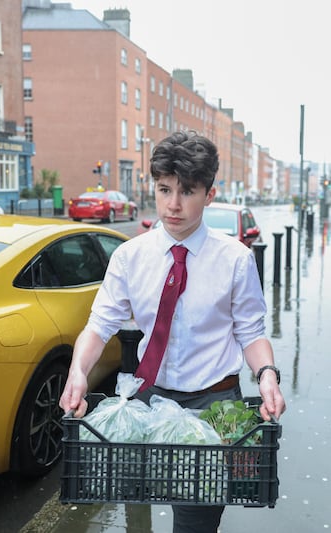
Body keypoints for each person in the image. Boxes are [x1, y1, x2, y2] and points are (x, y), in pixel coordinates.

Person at [60, 130, 286, 533]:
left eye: (187, 192)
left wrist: (267, 376)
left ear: (209, 194)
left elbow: (251, 332)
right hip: (148, 400)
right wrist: (78, 372)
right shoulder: (131, 256)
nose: (174, 205)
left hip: (215, 404)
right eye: (165, 190)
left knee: (196, 520)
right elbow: (99, 325)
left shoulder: (235, 259)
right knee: (135, 495)